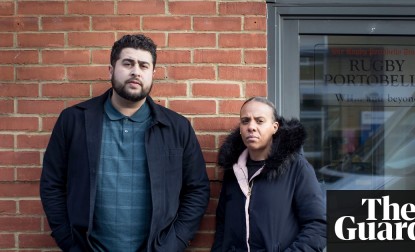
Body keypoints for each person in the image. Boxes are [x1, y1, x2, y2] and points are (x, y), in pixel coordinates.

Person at [40, 34, 210, 252]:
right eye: (127, 63)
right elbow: (52, 184)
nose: (135, 71)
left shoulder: (176, 127)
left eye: (144, 65)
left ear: (153, 74)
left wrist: (174, 242)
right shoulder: (74, 120)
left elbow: (197, 189)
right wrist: (68, 241)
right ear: (111, 70)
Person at [211, 97, 327, 252]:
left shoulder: (297, 168)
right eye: (245, 121)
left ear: (275, 127)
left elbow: (318, 225)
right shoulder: (234, 171)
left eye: (259, 121)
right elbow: (222, 226)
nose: (251, 127)